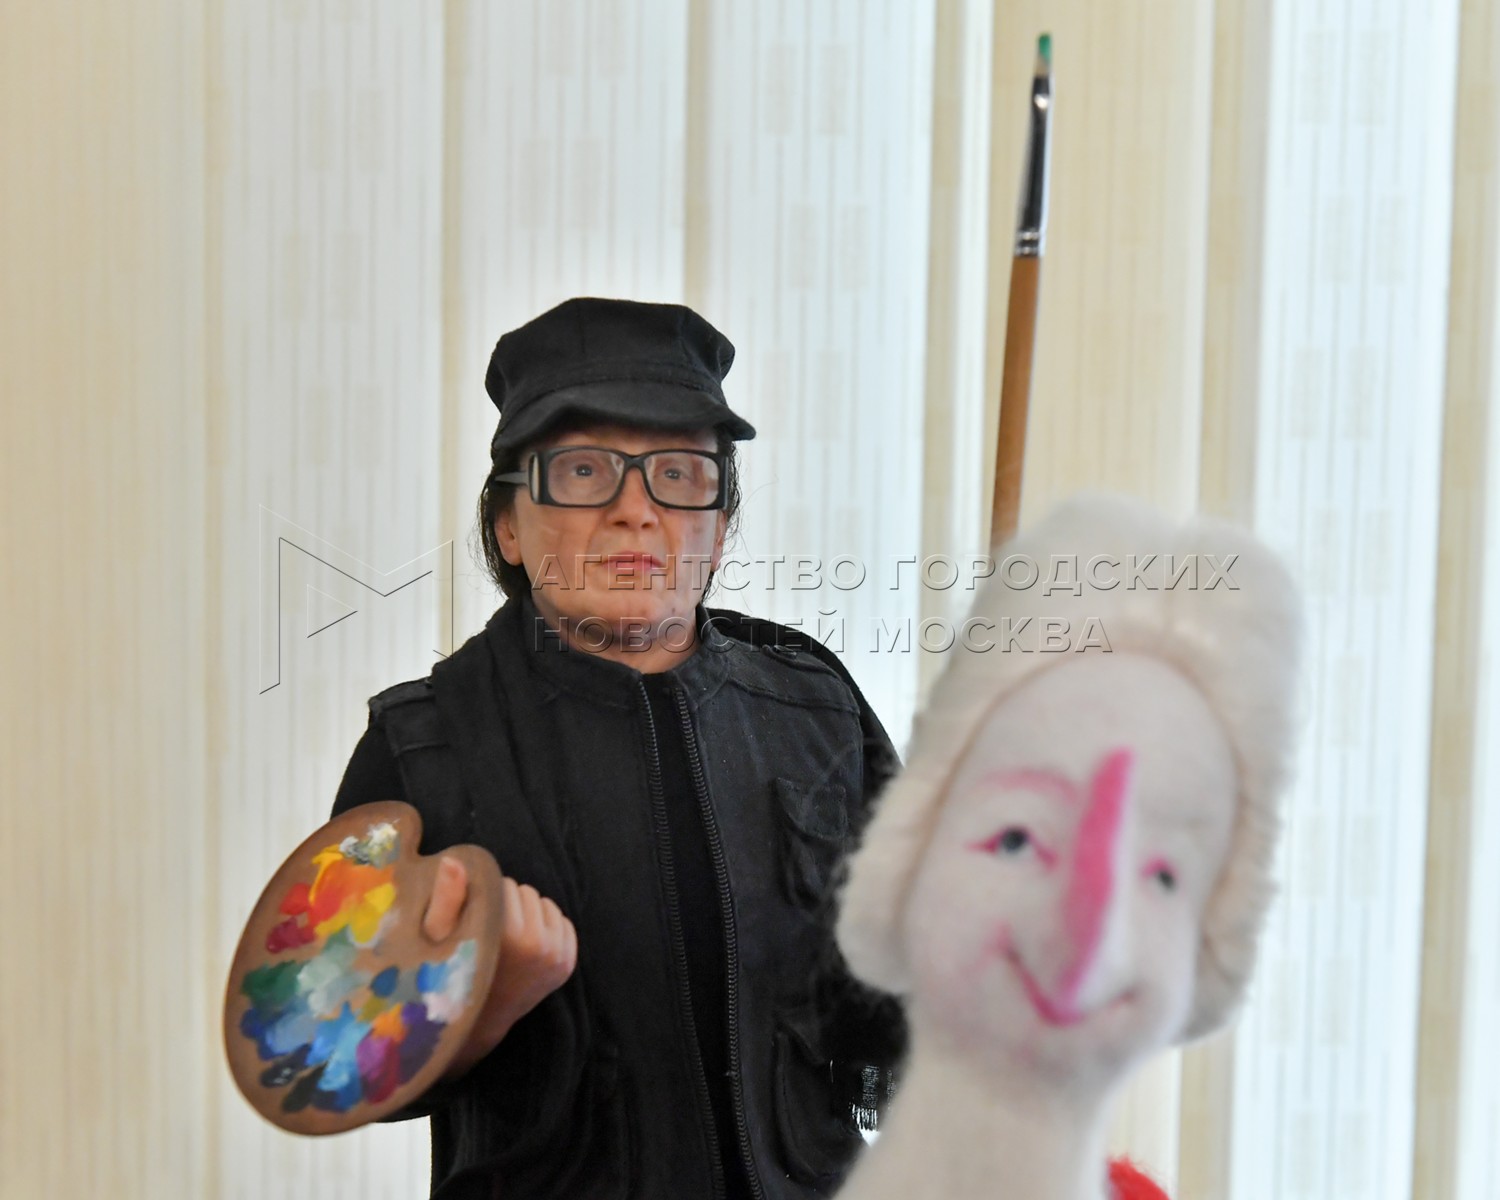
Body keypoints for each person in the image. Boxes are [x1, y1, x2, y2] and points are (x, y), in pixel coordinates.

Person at [332, 297, 907, 1200]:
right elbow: (334, 1059)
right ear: (508, 524)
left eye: (679, 474)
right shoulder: (420, 747)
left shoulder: (815, 709)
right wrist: (486, 1000)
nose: (635, 511)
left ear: (719, 526)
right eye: (583, 471)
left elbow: (895, 1015)